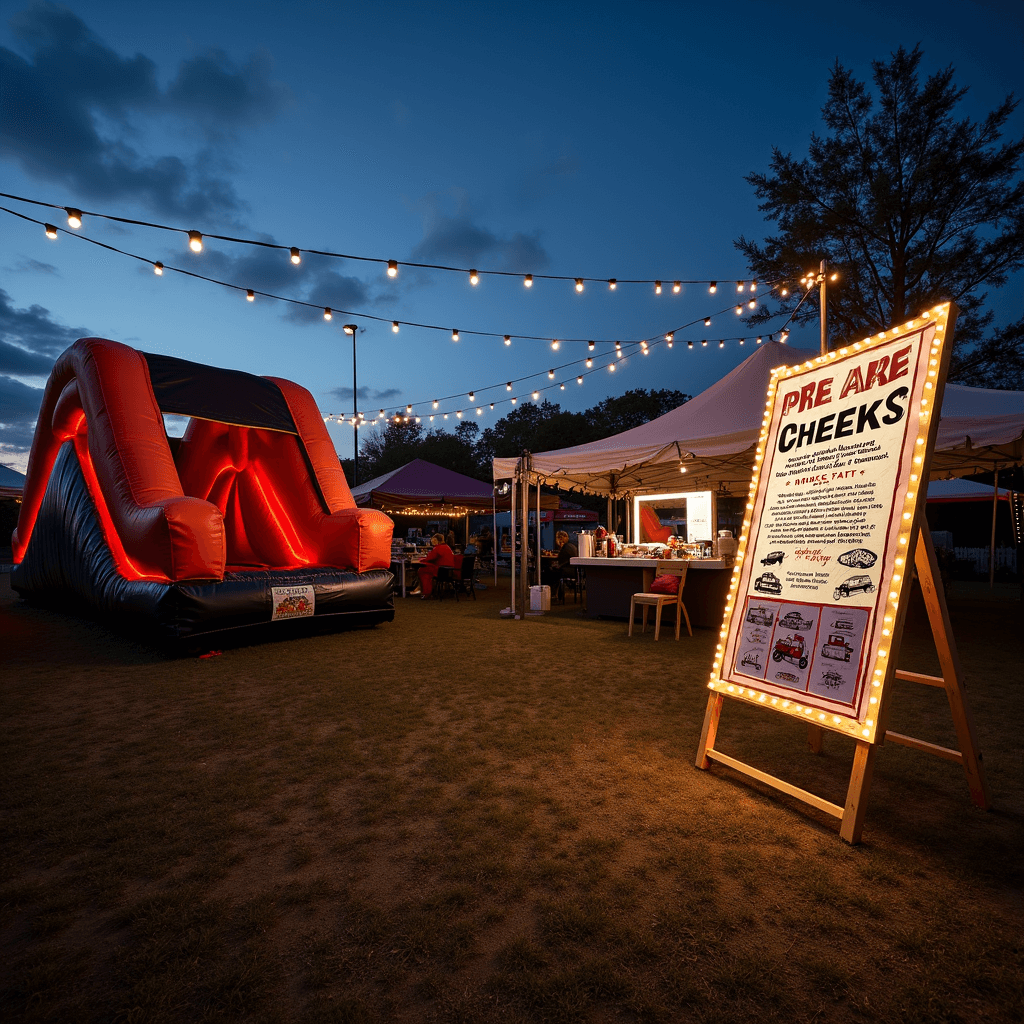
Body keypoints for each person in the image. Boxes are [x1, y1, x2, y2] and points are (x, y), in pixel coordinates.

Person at [412, 532, 456, 599]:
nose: (432, 543)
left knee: (422, 571)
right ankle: (422, 590)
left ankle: (426, 592)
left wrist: (420, 560)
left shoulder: (437, 548)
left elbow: (429, 558)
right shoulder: (447, 547)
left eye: (433, 541)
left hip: (441, 570)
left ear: (436, 541)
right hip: (448, 570)